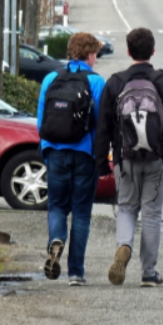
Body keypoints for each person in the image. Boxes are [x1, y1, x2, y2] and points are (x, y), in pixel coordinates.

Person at [95, 28, 163, 287]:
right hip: (156, 157)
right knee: (151, 213)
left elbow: (103, 126)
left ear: (128, 52)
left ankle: (124, 246)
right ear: (153, 51)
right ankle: (149, 272)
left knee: (127, 207)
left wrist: (101, 164)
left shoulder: (115, 82)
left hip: (124, 159)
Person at [38, 32, 106, 286]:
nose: (96, 58)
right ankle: (76, 272)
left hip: (55, 152)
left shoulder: (50, 79)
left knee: (56, 206)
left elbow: (41, 119)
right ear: (89, 53)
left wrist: (47, 150)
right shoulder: (96, 82)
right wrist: (101, 157)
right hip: (84, 154)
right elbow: (102, 124)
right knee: (81, 213)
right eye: (95, 53)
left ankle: (56, 240)